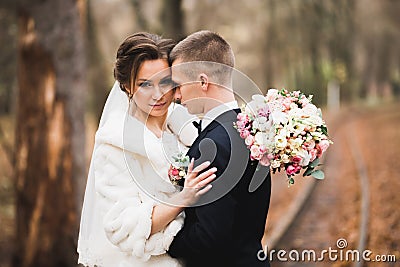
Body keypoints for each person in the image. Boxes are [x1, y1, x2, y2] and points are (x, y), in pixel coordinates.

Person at [77, 32, 217, 267]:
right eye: (145, 84)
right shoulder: (114, 145)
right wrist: (184, 198)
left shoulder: (187, 127)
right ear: (127, 87)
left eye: (165, 81)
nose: (158, 94)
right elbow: (124, 227)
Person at [167, 30, 272, 266]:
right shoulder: (251, 129)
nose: (176, 95)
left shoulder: (212, 146)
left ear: (203, 81)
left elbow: (209, 238)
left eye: (179, 85)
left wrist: (163, 241)